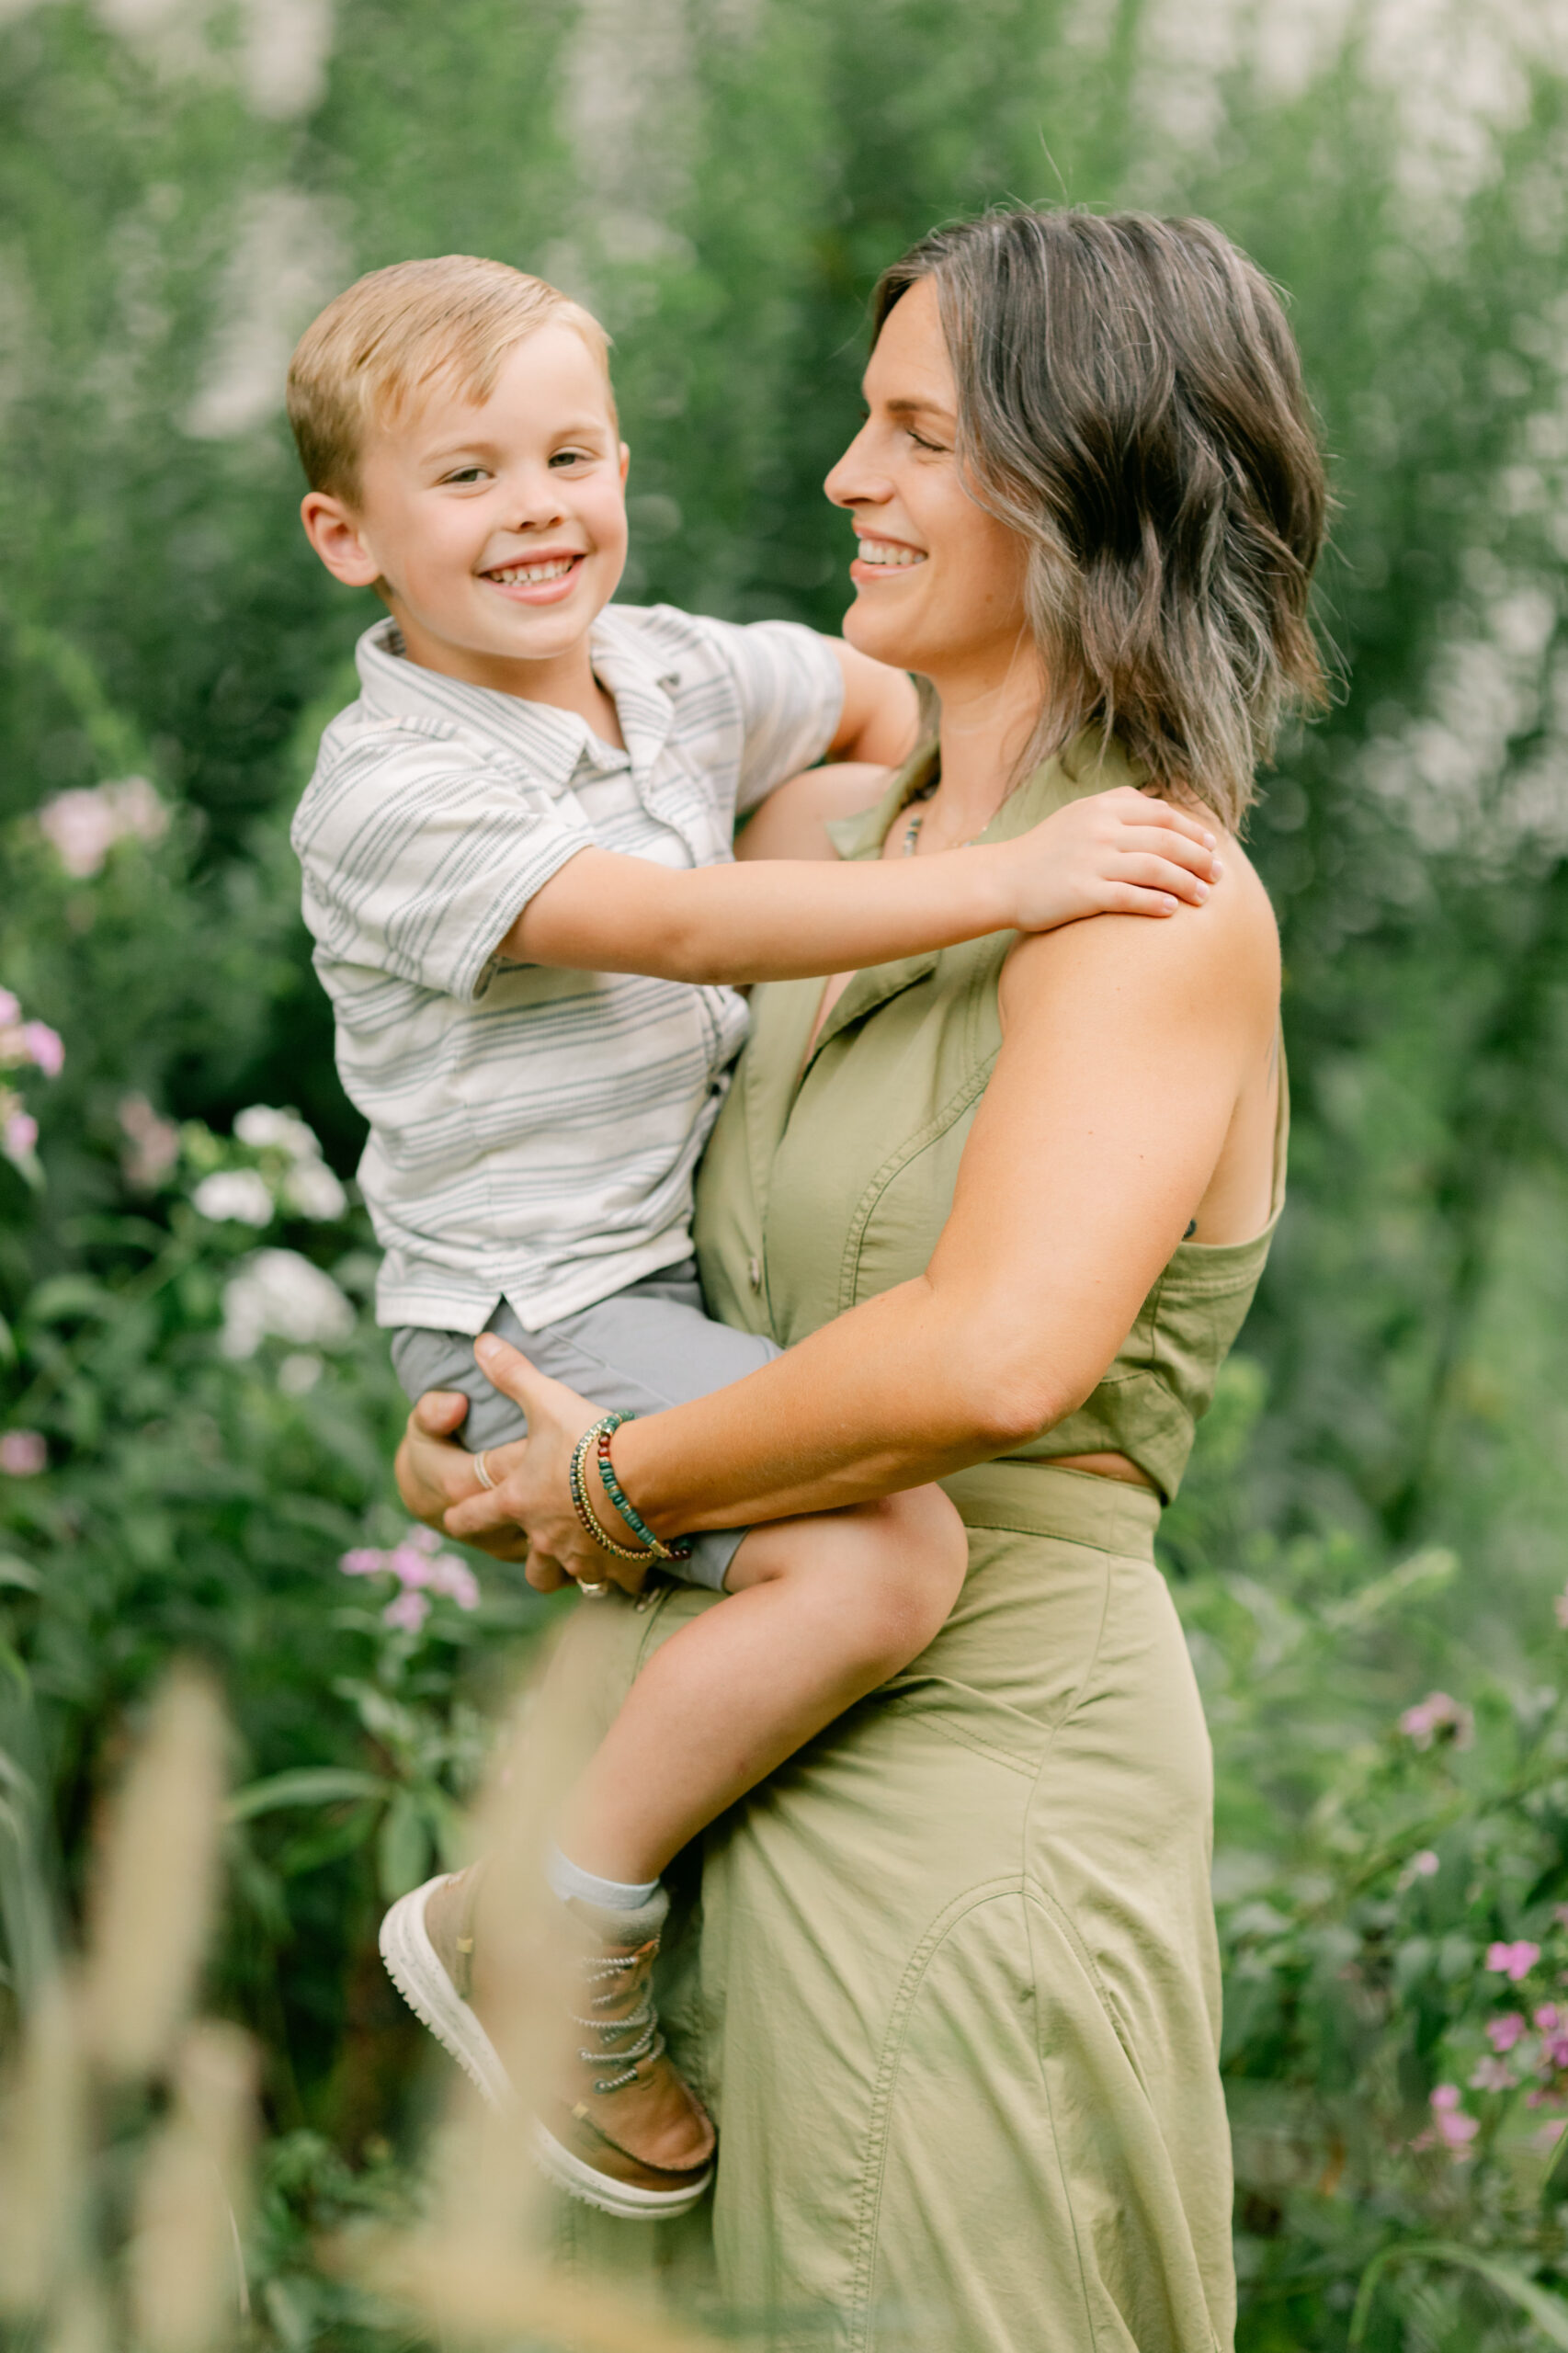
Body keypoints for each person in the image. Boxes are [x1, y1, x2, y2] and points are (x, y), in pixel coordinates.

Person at [397, 207, 1327, 2353]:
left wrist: (624, 1478)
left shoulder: (1154, 901)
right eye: (861, 419)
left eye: (912, 430)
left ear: (1074, 482)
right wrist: (488, 1405)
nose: (844, 474)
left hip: (970, 1773)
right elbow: (593, 1187)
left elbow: (999, 1351)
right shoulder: (813, 852)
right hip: (700, 1785)